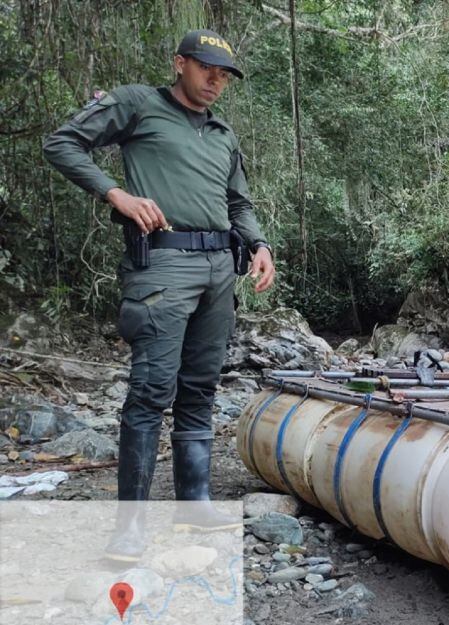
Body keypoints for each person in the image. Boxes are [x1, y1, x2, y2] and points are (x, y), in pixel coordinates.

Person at [43, 29, 276, 561]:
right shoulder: (138, 105)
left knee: (200, 387)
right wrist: (116, 193)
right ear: (179, 63)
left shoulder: (222, 133)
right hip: (163, 265)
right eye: (205, 68)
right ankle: (129, 528)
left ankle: (193, 504)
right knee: (150, 392)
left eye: (223, 74)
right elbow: (61, 142)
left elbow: (238, 202)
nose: (215, 80)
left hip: (221, 269)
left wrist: (258, 244)